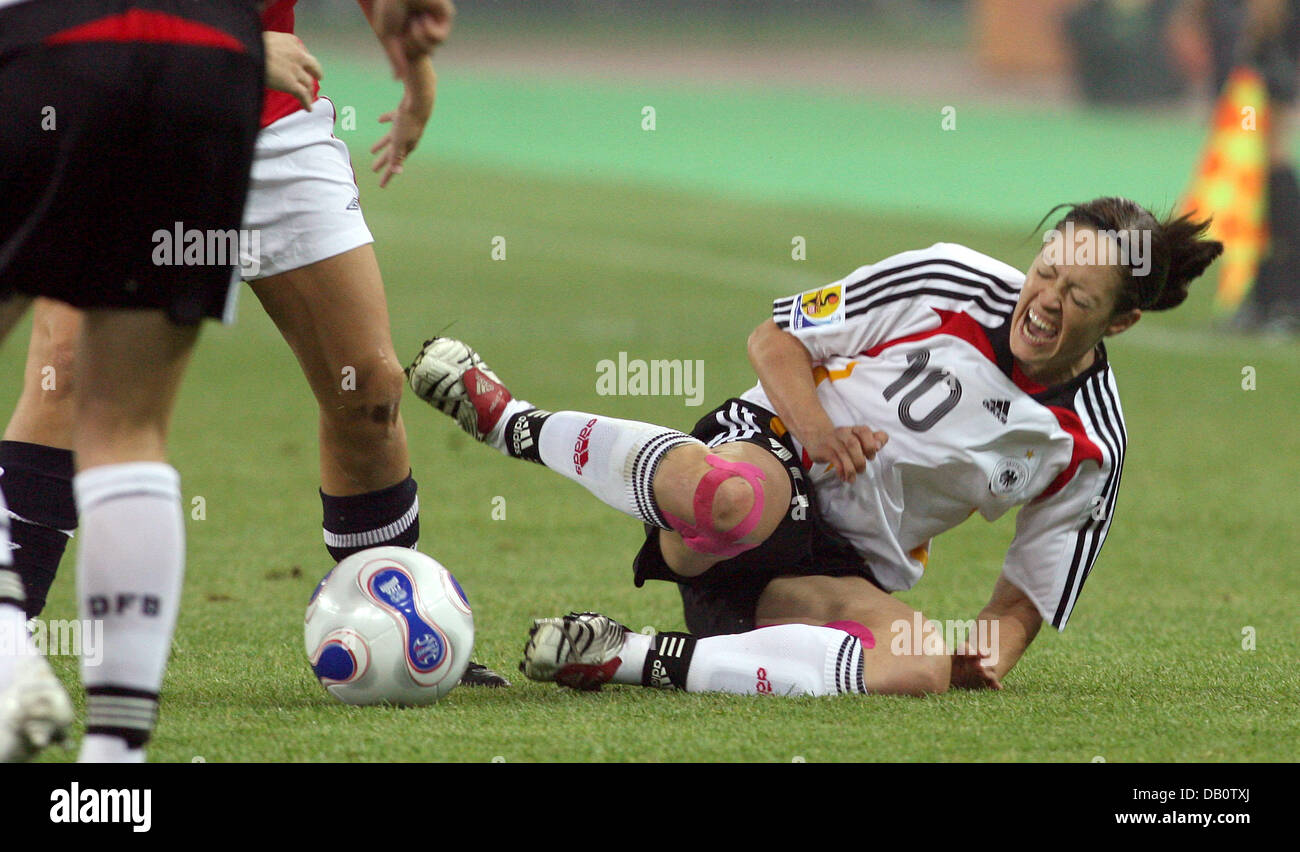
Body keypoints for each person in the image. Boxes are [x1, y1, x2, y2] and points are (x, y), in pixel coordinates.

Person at [406, 197, 1222, 698]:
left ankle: (625, 656)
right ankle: (512, 420)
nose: (1043, 301)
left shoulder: (1090, 446)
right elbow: (774, 340)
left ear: (1119, 324)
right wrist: (821, 434)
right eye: (1046, 272)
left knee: (915, 667)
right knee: (730, 502)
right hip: (769, 459)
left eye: (1078, 297)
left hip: (835, 570)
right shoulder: (945, 278)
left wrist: (989, 650)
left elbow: (1023, 597)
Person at [0, 0, 507, 693]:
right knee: (67, 374)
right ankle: (9, 639)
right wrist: (223, 45)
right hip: (125, 97)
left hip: (273, 117)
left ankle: (393, 614)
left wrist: (410, 54)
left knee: (369, 388)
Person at [0, 0, 264, 761]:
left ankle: (11, 659)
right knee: (126, 426)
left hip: (41, 44)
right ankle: (115, 770)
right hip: (209, 57)